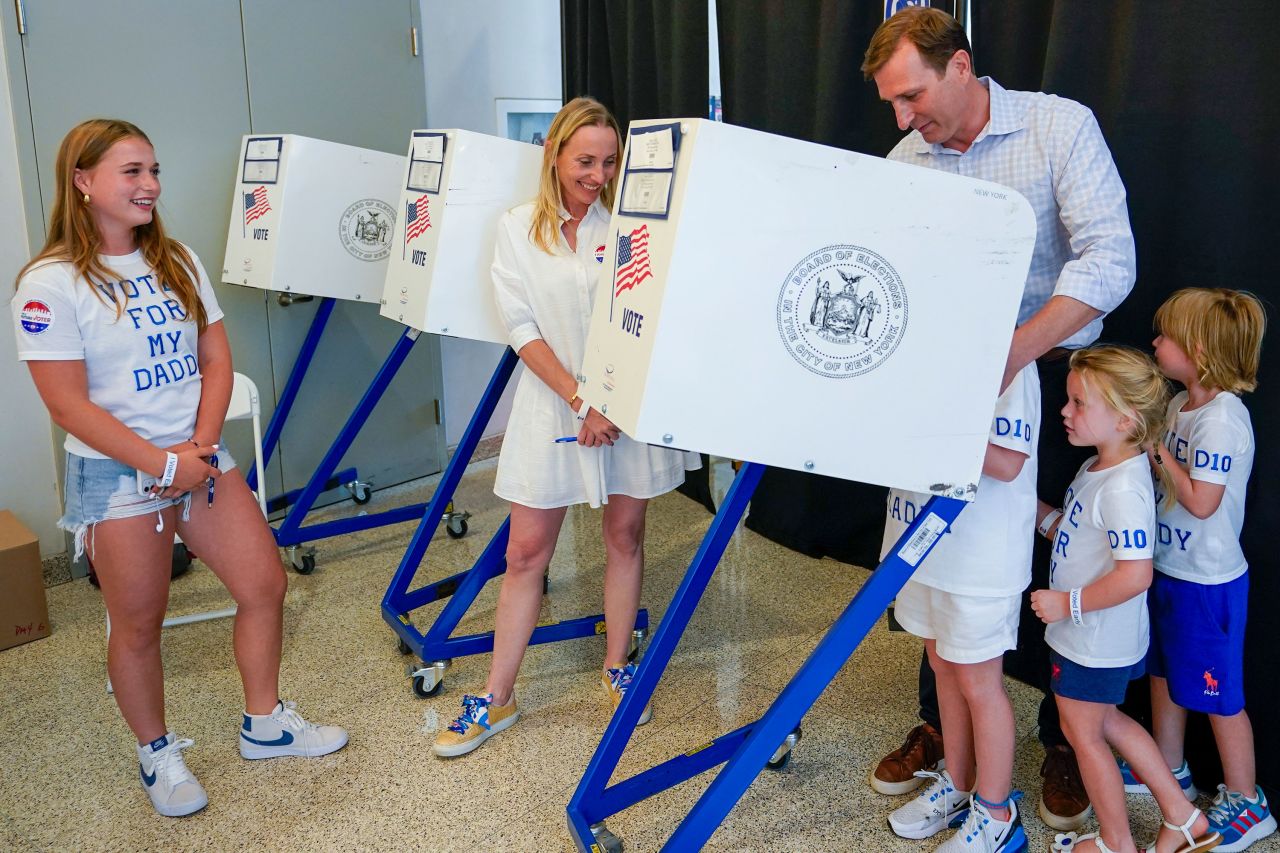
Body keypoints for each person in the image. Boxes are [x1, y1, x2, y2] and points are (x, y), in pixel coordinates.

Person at [10, 119, 346, 818]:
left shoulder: (177, 260)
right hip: (116, 475)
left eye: (154, 170)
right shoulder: (49, 284)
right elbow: (67, 405)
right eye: (131, 171)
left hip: (199, 458)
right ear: (83, 180)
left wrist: (195, 449)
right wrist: (163, 462)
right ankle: (157, 752)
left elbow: (216, 360)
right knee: (138, 622)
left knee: (264, 583)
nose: (151, 185)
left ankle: (265, 724)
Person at [862, 6, 1137, 830]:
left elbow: (1111, 257)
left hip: (1054, 374)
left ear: (961, 66)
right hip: (957, 380)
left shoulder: (1057, 127)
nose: (906, 121)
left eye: (913, 96)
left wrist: (1012, 350)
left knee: (1060, 570)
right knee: (948, 605)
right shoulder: (907, 156)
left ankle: (1060, 739)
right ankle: (949, 744)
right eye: (893, 107)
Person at [431, 97, 697, 758]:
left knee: (625, 534)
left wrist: (610, 401)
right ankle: (497, 696)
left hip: (623, 407)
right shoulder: (517, 228)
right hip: (555, 405)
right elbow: (521, 328)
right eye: (585, 160)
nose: (597, 174)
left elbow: (645, 320)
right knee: (525, 554)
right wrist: (582, 401)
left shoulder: (632, 227)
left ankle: (616, 668)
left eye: (608, 162)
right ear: (554, 153)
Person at [1032, 346, 1218, 853]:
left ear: (1124, 418)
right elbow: (1074, 535)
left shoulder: (1121, 490)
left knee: (1083, 734)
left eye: (1078, 403)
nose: (1065, 412)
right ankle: (1183, 819)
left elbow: (1135, 575)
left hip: (1092, 638)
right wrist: (1033, 509)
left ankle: (1116, 843)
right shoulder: (1099, 467)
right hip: (1092, 636)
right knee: (1108, 721)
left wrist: (1066, 603)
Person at [1119, 289, 1273, 852]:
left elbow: (1202, 502)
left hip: (1208, 584)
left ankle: (1247, 800)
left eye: (1166, 336)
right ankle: (1170, 768)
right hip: (1168, 569)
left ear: (1200, 349)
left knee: (1219, 697)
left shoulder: (1224, 418)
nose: (1154, 342)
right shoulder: (1183, 402)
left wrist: (1158, 450)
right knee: (1164, 675)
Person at [879, 362, 1039, 852]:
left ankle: (996, 815)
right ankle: (960, 781)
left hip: (979, 555)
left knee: (978, 682)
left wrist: (927, 422)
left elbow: (1009, 461)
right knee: (941, 664)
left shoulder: (1015, 359)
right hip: (924, 540)